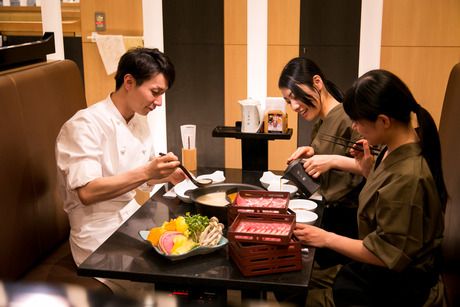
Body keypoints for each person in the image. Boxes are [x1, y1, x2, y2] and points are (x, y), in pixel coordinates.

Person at [294, 69, 446, 306]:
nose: (354, 127)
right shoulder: (392, 147)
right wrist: (367, 169)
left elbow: (386, 253)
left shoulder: (409, 176)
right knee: (297, 276)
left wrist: (325, 238)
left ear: (384, 121)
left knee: (300, 295)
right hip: (375, 272)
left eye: (357, 121)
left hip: (398, 285)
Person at [56, 47, 185, 267]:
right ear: (129, 82)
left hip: (131, 220)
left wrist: (166, 175)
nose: (159, 102)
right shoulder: (84, 125)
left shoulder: (138, 119)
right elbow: (87, 192)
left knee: (187, 246)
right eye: (155, 92)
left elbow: (139, 175)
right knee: (169, 268)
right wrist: (148, 171)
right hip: (97, 236)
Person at [279, 57, 364, 267]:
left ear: (317, 82)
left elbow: (373, 169)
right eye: (289, 101)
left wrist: (331, 160)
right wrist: (313, 153)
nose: (294, 106)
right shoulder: (322, 120)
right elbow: (333, 155)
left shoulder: (347, 117)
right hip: (327, 212)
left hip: (345, 220)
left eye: (295, 96)